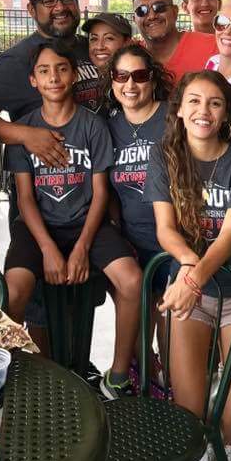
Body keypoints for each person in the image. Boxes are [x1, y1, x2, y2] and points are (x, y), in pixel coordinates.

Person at [144, 71, 231, 461]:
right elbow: (165, 229)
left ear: (225, 114)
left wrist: (191, 277)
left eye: (215, 102)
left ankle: (230, 445)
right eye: (194, 101)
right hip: (193, 292)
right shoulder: (163, 158)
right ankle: (202, 446)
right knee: (188, 410)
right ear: (178, 110)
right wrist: (189, 267)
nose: (203, 111)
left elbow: (230, 236)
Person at [3, 40, 142, 399]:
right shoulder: (24, 131)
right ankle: (12, 374)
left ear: (74, 75)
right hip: (37, 227)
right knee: (14, 289)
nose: (54, 77)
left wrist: (81, 247)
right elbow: (25, 198)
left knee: (130, 280)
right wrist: (48, 248)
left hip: (86, 224)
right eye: (45, 71)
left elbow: (100, 194)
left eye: (62, 69)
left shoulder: (92, 126)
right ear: (33, 80)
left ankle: (118, 374)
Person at [0, 0, 104, 167]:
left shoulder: (93, 49)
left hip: (98, 173)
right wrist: (25, 135)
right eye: (48, 1)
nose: (60, 7)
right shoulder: (14, 61)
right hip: (39, 184)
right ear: (31, 10)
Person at [105, 45, 174, 392]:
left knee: (172, 336)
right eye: (121, 76)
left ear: (152, 79)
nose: (130, 84)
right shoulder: (108, 126)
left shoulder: (173, 117)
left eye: (139, 75)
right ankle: (148, 392)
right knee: (137, 340)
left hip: (174, 240)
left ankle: (178, 400)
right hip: (133, 243)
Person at [132, 0, 217, 82]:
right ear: (134, 20)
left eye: (159, 7)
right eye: (142, 11)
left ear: (174, 12)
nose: (151, 16)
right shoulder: (131, 55)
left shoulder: (212, 46)